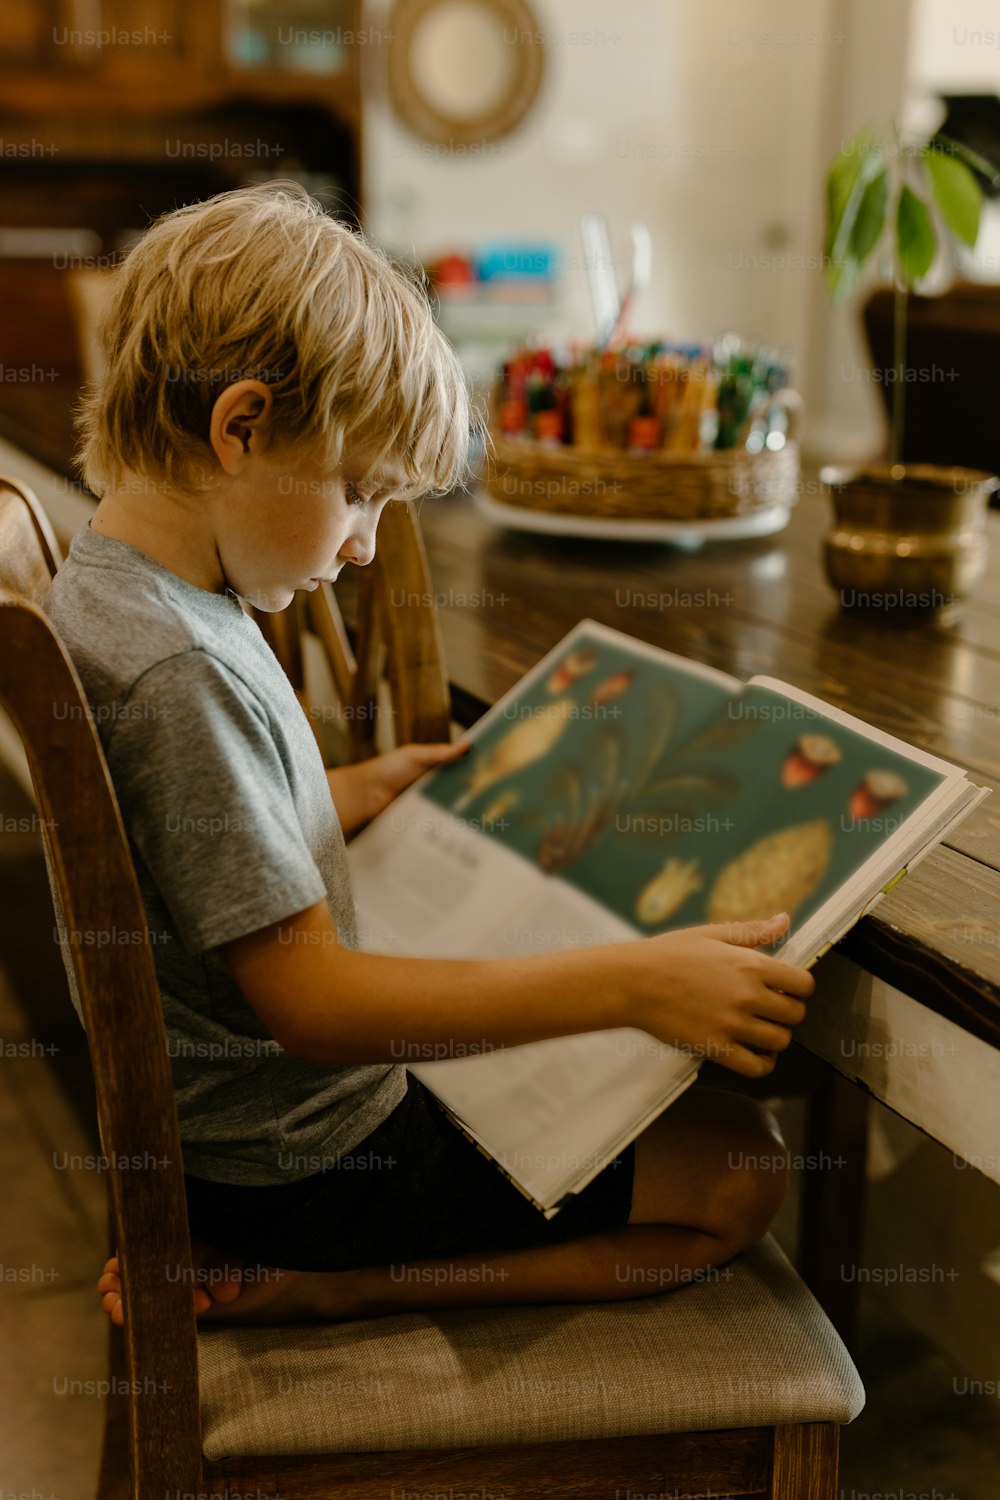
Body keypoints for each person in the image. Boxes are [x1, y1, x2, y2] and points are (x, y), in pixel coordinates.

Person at [43, 182, 814, 1329]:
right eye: (358, 493)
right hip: (301, 1169)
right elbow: (310, 1003)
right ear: (240, 428)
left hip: (240, 1135)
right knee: (744, 1174)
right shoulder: (183, 669)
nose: (360, 547)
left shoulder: (124, 594)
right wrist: (635, 984)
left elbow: (178, 839)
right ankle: (344, 1289)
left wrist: (348, 790)